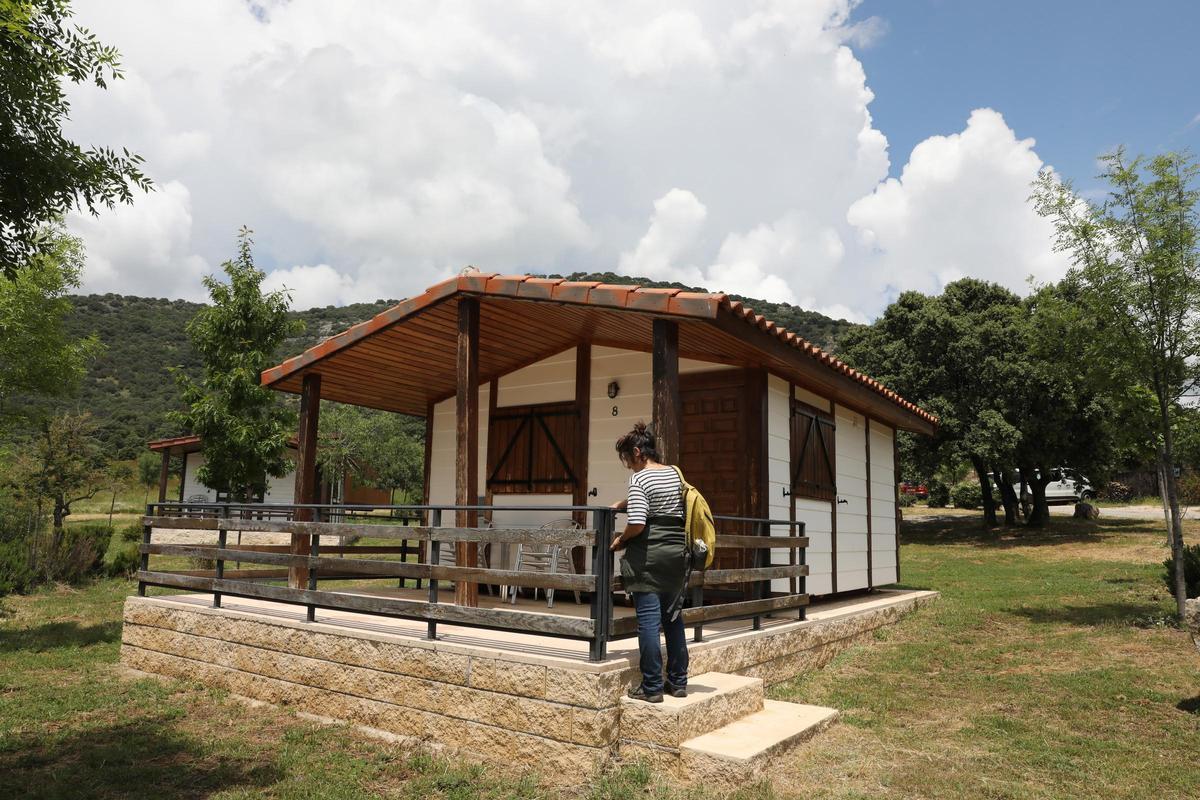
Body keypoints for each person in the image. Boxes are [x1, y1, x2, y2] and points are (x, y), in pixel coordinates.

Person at [609, 422, 689, 703]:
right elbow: (663, 506)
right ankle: (678, 683)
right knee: (674, 620)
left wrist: (621, 540)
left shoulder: (640, 479)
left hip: (649, 557)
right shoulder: (674, 474)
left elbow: (639, 523)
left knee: (648, 623)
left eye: (628, 460)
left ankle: (653, 687)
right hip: (677, 555)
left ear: (638, 452)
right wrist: (624, 502)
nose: (629, 466)